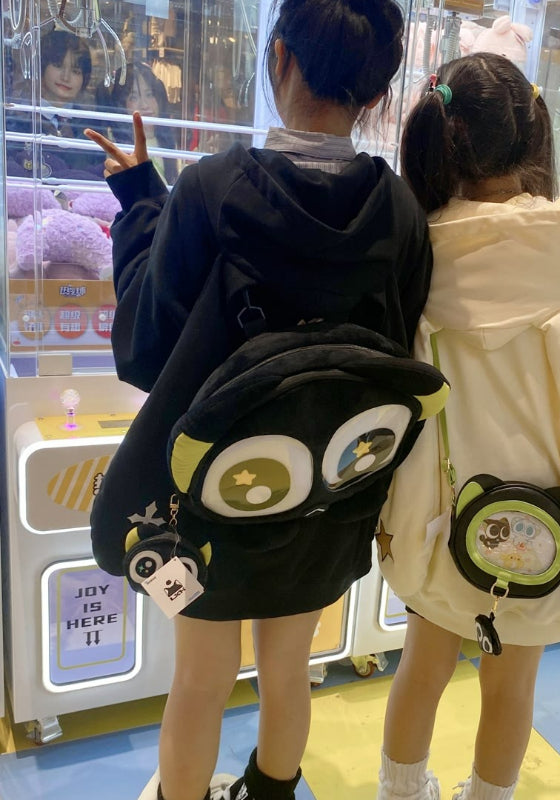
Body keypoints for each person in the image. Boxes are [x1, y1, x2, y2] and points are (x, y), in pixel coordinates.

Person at [84, 2, 430, 800]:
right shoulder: (401, 211)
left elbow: (146, 349)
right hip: (329, 494)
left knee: (201, 678)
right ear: (379, 91)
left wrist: (140, 203)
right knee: (289, 667)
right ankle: (270, 792)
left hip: (210, 500)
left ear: (279, 59)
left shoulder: (211, 189)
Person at [376, 54, 560, 800]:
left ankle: (400, 790)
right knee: (513, 685)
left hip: (438, 512)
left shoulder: (419, 247)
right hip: (548, 519)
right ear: (535, 130)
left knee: (422, 664)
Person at [6, 29, 104, 179]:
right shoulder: (18, 118)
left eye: (76, 71)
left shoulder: (91, 125)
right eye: (58, 65)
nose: (66, 77)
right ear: (42, 67)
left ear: (84, 78)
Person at [96, 62, 179, 183]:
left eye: (149, 95)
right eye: (133, 98)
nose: (144, 105)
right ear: (122, 105)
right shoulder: (119, 147)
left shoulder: (166, 141)